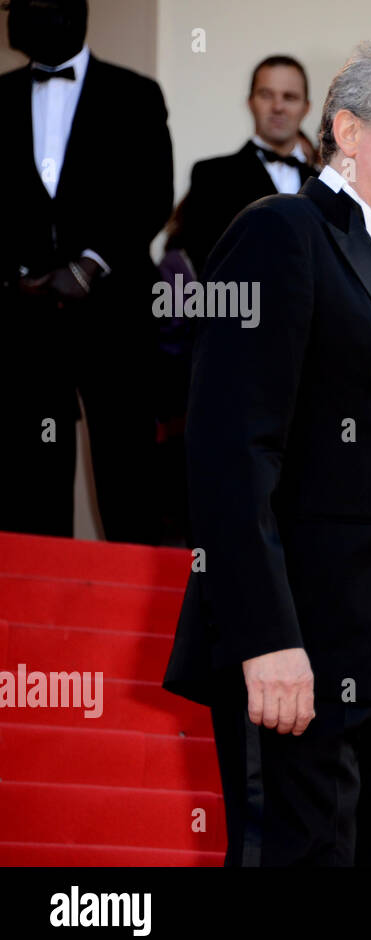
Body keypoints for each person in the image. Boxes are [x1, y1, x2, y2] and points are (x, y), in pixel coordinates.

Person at [163, 44, 371, 867]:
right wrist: (265, 640)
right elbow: (232, 451)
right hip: (301, 666)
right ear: (347, 131)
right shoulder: (281, 232)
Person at [0, 0, 172, 544]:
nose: (19, 14)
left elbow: (152, 196)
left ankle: (141, 615)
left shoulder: (137, 94)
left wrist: (90, 265)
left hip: (116, 314)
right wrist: (18, 271)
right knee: (29, 479)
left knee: (127, 473)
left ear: (77, 12)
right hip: (23, 319)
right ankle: (34, 617)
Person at [177, 55, 316, 277]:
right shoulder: (211, 176)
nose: (278, 107)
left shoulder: (326, 184)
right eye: (266, 95)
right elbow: (207, 261)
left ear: (306, 107)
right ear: (250, 102)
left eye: (289, 97)